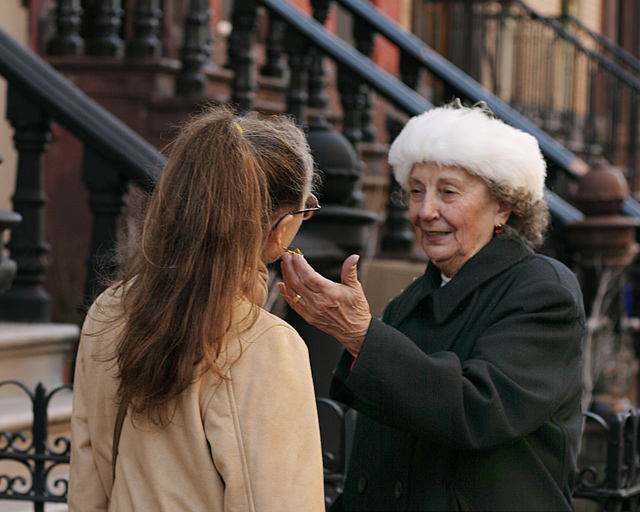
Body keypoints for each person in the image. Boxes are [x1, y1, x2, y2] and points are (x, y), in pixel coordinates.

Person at [279, 101, 585, 511]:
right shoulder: (411, 301)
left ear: (503, 205)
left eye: (448, 192)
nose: (426, 212)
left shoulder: (543, 291)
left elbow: (479, 409)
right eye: (417, 191)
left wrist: (362, 336)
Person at [69, 106, 326, 511]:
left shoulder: (108, 311)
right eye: (303, 209)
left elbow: (87, 488)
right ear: (281, 229)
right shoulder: (266, 346)